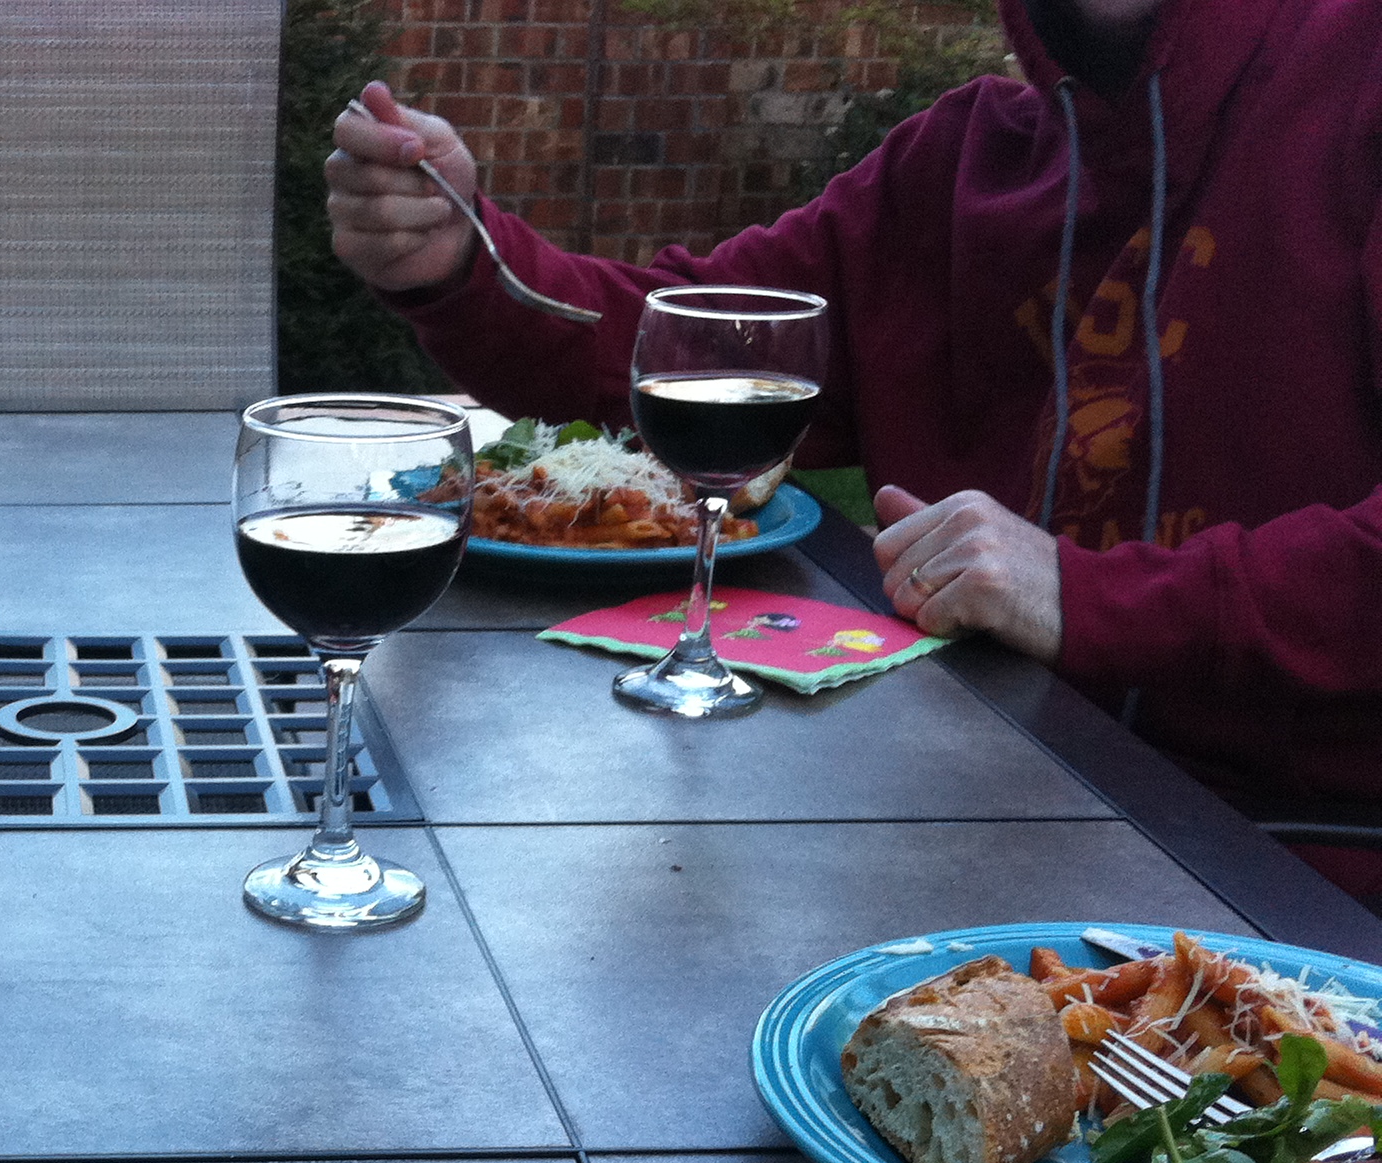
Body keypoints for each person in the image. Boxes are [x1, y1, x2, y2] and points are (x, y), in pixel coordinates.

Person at [326, 0, 1382, 901]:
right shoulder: (962, 162)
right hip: (963, 812)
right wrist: (463, 263)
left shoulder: (1353, 96)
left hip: (1299, 872)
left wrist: (1087, 597)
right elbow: (690, 343)